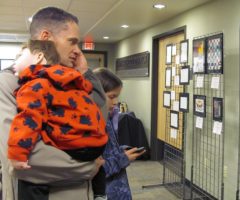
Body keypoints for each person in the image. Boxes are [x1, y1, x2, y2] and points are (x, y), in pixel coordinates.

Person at [0, 7, 107, 200]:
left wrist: (84, 73)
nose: (77, 50)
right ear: (46, 37)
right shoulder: (8, 83)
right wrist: (91, 166)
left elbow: (96, 122)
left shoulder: (66, 80)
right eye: (72, 42)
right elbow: (29, 161)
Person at [93, 68, 145, 200]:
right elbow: (94, 170)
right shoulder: (91, 126)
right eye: (112, 97)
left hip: (119, 190)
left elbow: (108, 153)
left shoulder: (107, 118)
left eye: (117, 96)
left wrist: (121, 151)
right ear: (97, 94)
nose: (116, 102)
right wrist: (123, 158)